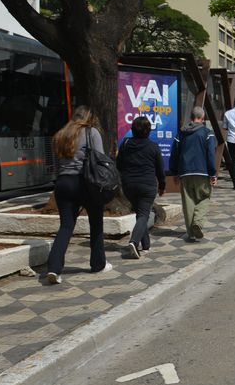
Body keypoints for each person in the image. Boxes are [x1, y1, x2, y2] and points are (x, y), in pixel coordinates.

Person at [45, 105, 110, 285]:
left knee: (66, 226)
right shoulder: (91, 133)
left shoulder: (60, 135)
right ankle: (98, 264)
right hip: (85, 183)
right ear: (89, 117)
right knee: (96, 223)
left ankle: (54, 268)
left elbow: (56, 165)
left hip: (63, 183)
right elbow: (100, 158)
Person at [116, 116, 165, 259]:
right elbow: (160, 170)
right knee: (144, 214)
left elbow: (119, 165)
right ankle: (134, 241)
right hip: (147, 185)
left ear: (132, 130)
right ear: (149, 131)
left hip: (129, 185)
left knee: (140, 212)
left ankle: (146, 244)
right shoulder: (153, 147)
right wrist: (162, 186)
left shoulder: (125, 144)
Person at [170, 107, 218, 242]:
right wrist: (212, 173)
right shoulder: (207, 133)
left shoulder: (181, 133)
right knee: (205, 196)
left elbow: (174, 153)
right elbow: (210, 155)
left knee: (188, 201)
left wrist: (174, 172)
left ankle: (191, 232)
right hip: (202, 172)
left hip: (185, 172)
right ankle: (198, 221)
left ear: (191, 117)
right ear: (202, 118)